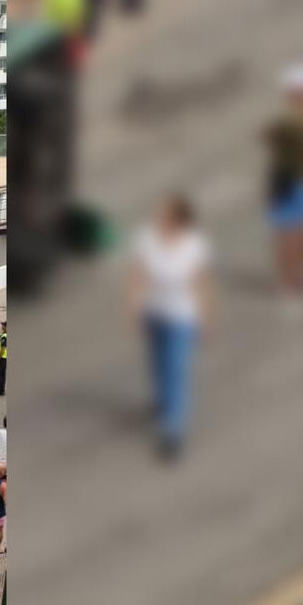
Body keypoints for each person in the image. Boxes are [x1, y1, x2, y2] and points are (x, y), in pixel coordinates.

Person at [130, 194, 212, 462]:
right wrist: (134, 311)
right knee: (158, 364)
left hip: (181, 317)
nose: (160, 216)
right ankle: (162, 401)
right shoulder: (147, 240)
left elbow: (200, 284)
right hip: (154, 313)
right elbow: (137, 277)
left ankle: (172, 431)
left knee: (176, 369)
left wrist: (204, 318)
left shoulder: (194, 245)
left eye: (166, 213)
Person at [265, 63, 303, 297]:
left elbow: (270, 136)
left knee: (285, 234)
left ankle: (287, 281)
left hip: (288, 180)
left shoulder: (292, 122)